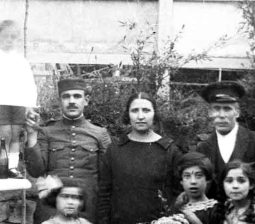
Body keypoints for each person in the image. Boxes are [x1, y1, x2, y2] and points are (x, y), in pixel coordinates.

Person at [190, 82, 255, 221]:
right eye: (216, 109)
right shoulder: (203, 148)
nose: (221, 115)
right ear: (210, 113)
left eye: (227, 109)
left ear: (237, 112)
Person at [99, 92, 180, 224]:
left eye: (146, 110)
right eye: (135, 110)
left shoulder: (170, 151)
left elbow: (178, 196)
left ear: (155, 114)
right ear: (127, 114)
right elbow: (104, 196)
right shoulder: (114, 151)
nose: (140, 116)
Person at [25, 77, 111, 200]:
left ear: (86, 100)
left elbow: (107, 177)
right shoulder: (47, 132)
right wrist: (32, 135)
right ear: (60, 101)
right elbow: (35, 172)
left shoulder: (100, 134)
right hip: (53, 202)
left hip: (87, 202)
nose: (71, 101)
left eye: (77, 96)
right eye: (66, 96)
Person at [0, 20, 38, 149]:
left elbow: (29, 83)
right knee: (4, 135)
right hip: (0, 102)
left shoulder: (21, 60)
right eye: (5, 36)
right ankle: (2, 165)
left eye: (13, 37)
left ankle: (12, 167)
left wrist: (30, 105)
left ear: (17, 39)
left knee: (15, 136)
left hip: (18, 102)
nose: (9, 40)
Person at [157, 152, 219, 224]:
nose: (193, 181)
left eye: (198, 176)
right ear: (181, 182)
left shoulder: (216, 211)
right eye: (187, 176)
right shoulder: (176, 209)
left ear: (207, 180)